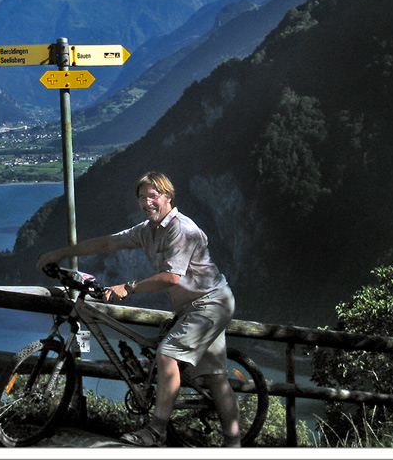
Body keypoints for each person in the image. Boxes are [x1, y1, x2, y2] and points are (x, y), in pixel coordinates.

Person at [34, 171, 241, 447]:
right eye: (142, 198)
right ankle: (234, 445)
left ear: (168, 196)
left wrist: (128, 287)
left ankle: (156, 431)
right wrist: (62, 254)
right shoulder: (147, 230)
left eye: (152, 196)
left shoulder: (180, 229)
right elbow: (108, 242)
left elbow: (171, 277)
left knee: (167, 356)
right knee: (215, 379)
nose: (146, 203)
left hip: (209, 304)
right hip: (201, 304)